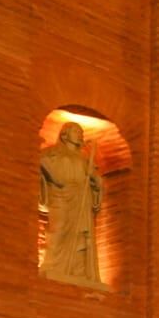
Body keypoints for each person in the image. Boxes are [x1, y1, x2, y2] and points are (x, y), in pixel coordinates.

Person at [38, 120, 104, 286]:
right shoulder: (52, 152)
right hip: (61, 196)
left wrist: (96, 181)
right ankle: (53, 265)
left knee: (81, 234)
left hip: (81, 198)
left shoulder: (84, 159)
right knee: (58, 229)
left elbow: (95, 181)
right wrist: (55, 177)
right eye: (76, 131)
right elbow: (43, 163)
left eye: (81, 132)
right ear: (65, 134)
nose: (80, 135)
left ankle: (78, 271)